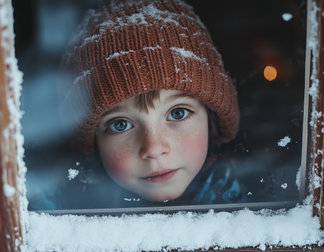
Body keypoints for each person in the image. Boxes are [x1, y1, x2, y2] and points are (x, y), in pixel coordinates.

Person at [60, 0, 245, 206]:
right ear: (94, 145)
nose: (154, 148)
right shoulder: (59, 219)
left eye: (178, 113)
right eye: (119, 125)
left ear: (211, 119)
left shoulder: (258, 204)